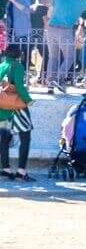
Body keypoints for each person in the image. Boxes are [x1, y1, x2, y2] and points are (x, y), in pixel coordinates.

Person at [0, 44, 34, 181]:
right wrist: (28, 100)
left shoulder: (2, 65)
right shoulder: (17, 66)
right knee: (25, 137)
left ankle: (6, 169)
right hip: (17, 108)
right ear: (19, 55)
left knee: (4, 138)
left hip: (2, 107)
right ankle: (21, 171)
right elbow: (19, 86)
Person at [4, 0, 32, 68]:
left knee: (24, 58)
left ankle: (23, 74)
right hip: (11, 34)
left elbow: (26, 10)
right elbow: (9, 17)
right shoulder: (9, 2)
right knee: (11, 58)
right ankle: (12, 75)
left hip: (23, 34)